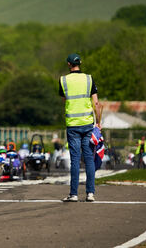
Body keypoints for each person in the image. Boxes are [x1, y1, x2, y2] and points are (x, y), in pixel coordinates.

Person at [59, 53, 100, 202]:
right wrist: (98, 122)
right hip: (88, 124)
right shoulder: (89, 79)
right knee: (89, 158)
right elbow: (96, 103)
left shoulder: (63, 80)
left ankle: (74, 194)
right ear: (80, 63)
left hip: (72, 125)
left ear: (69, 64)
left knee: (75, 160)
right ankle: (90, 193)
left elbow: (64, 99)